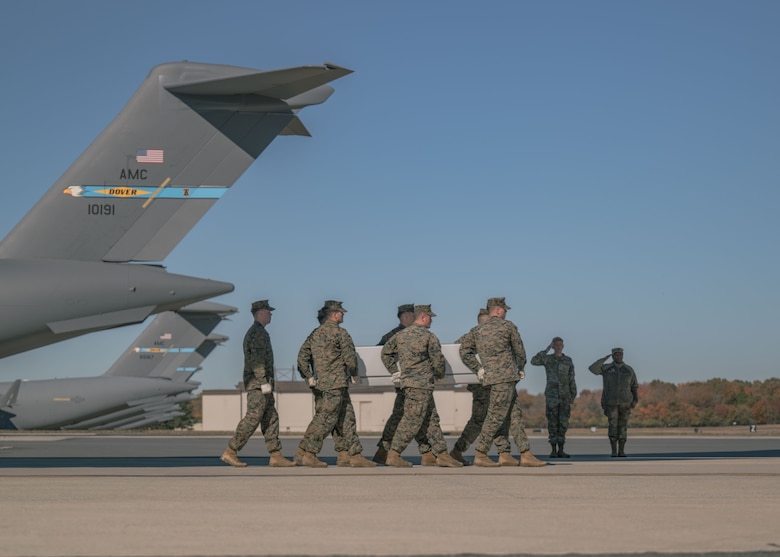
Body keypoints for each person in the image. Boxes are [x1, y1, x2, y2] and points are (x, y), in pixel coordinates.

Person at [459, 297, 546, 467]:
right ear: (498, 310)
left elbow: (464, 350)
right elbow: (519, 350)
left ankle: (525, 453)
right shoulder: (508, 327)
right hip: (506, 378)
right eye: (504, 310)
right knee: (495, 417)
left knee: (515, 417)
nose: (505, 313)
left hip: (491, 379)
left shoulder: (477, 330)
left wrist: (478, 368)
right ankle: (481, 453)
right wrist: (520, 367)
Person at [295, 300, 375, 468]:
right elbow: (350, 358)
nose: (343, 314)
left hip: (320, 384)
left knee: (346, 418)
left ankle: (349, 454)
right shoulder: (341, 333)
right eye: (341, 312)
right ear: (333, 314)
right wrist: (354, 374)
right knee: (326, 419)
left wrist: (309, 375)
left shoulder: (315, 334)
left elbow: (302, 357)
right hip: (337, 383)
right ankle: (309, 453)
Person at [380, 305, 461, 467]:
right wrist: (439, 375)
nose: (431, 320)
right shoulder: (429, 337)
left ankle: (443, 454)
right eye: (430, 317)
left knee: (431, 420)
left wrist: (395, 371)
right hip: (422, 385)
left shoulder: (400, 335)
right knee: (411, 420)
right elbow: (438, 362)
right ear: (423, 318)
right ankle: (394, 454)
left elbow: (385, 353)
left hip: (408, 384)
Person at [220, 300, 295, 468]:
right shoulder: (257, 333)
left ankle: (275, 455)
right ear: (260, 313)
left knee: (271, 418)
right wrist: (263, 382)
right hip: (258, 384)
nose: (271, 314)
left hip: (262, 384)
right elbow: (257, 361)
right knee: (253, 418)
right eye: (268, 311)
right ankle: (231, 451)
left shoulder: (260, 331)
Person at [450, 308, 504, 465]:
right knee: (481, 420)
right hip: (481, 386)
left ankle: (502, 452)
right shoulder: (471, 336)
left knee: (495, 418)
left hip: (495, 383)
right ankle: (460, 451)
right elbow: (456, 351)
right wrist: (476, 368)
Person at [531, 337, 577, 458]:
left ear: (563, 346)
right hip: (552, 395)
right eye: (555, 345)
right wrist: (546, 349)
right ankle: (553, 449)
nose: (558, 346)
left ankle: (561, 449)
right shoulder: (548, 359)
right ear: (553, 346)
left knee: (563, 423)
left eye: (560, 344)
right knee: (552, 422)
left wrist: (573, 394)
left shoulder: (568, 360)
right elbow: (534, 361)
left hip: (565, 396)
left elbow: (572, 378)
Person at [588, 347, 638, 457]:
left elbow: (634, 387)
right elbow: (592, 369)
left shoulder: (628, 370)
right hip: (611, 403)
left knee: (623, 427)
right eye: (616, 355)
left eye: (620, 355)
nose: (618, 356)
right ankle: (614, 451)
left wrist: (635, 401)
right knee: (612, 427)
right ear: (613, 356)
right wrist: (604, 359)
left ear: (623, 356)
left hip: (625, 403)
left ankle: (621, 450)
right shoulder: (606, 368)